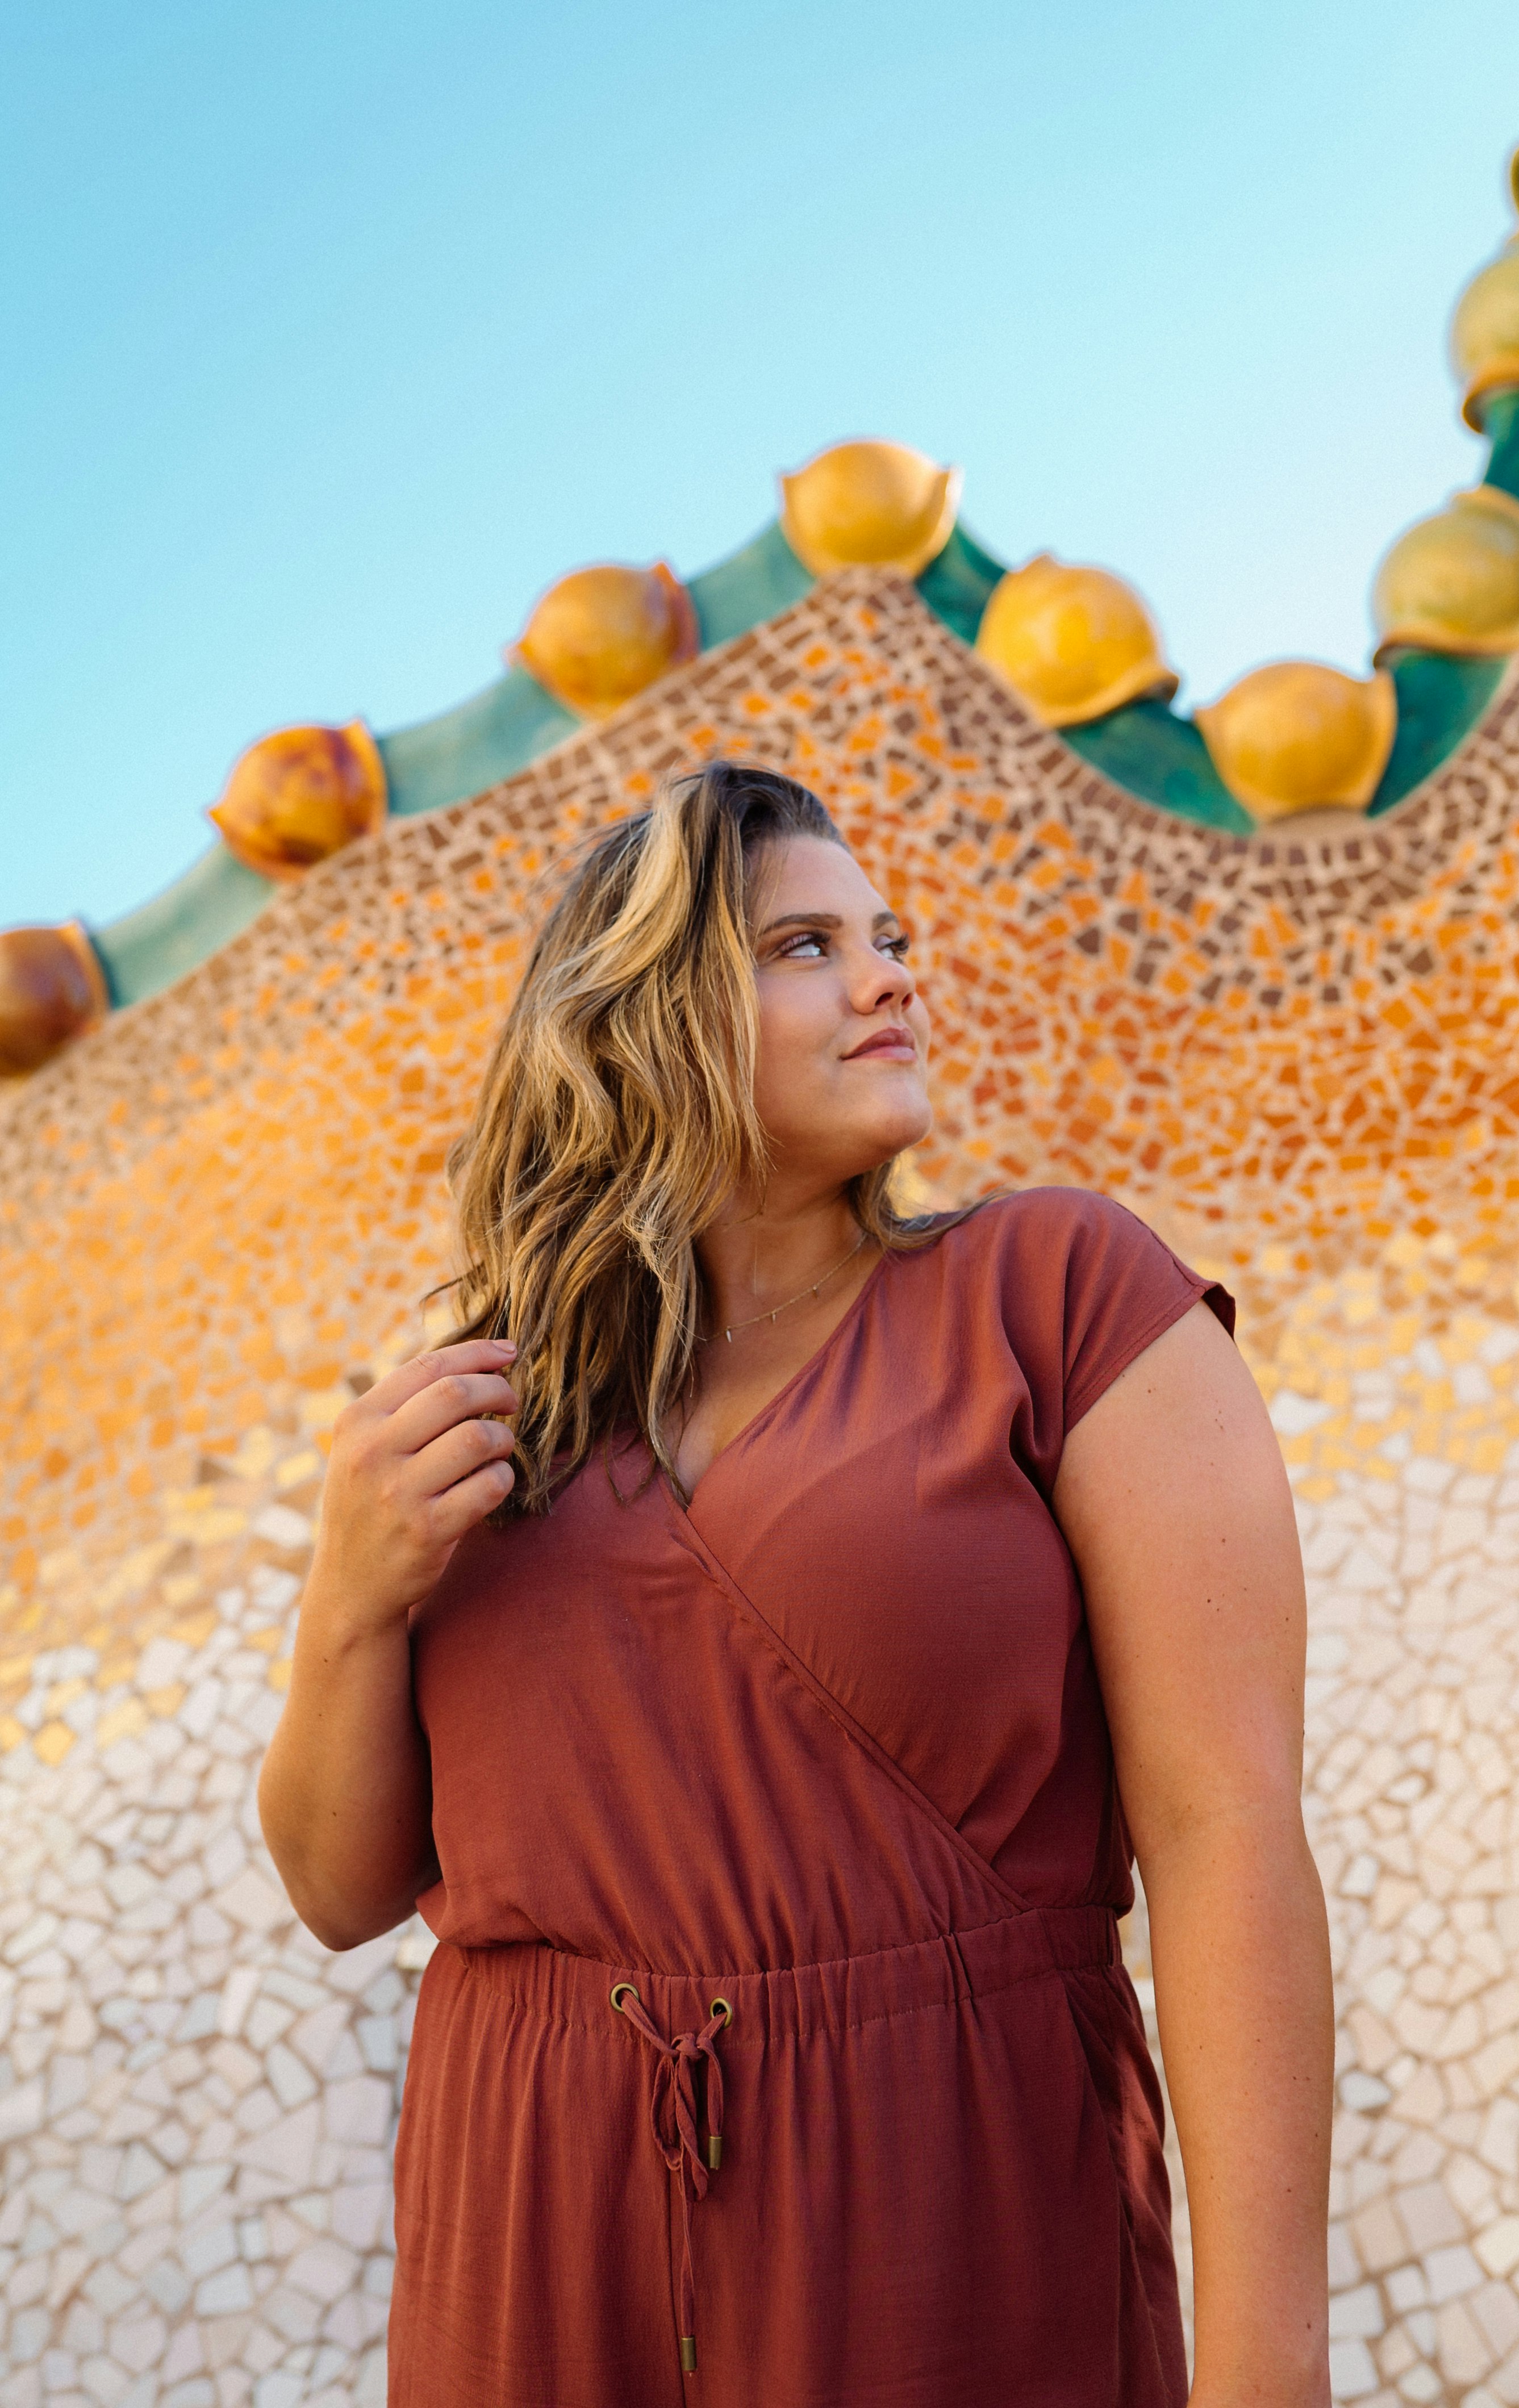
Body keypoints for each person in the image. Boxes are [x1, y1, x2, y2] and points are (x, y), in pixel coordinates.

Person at [259, 762, 1333, 2408]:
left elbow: (1227, 1830)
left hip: (951, 2221)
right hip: (527, 2244)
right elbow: (342, 1890)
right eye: (805, 946)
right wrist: (350, 1594)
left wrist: (1269, 2373)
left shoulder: (1055, 1292)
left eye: (886, 936)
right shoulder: (490, 1412)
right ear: (643, 1015)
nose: (893, 974)